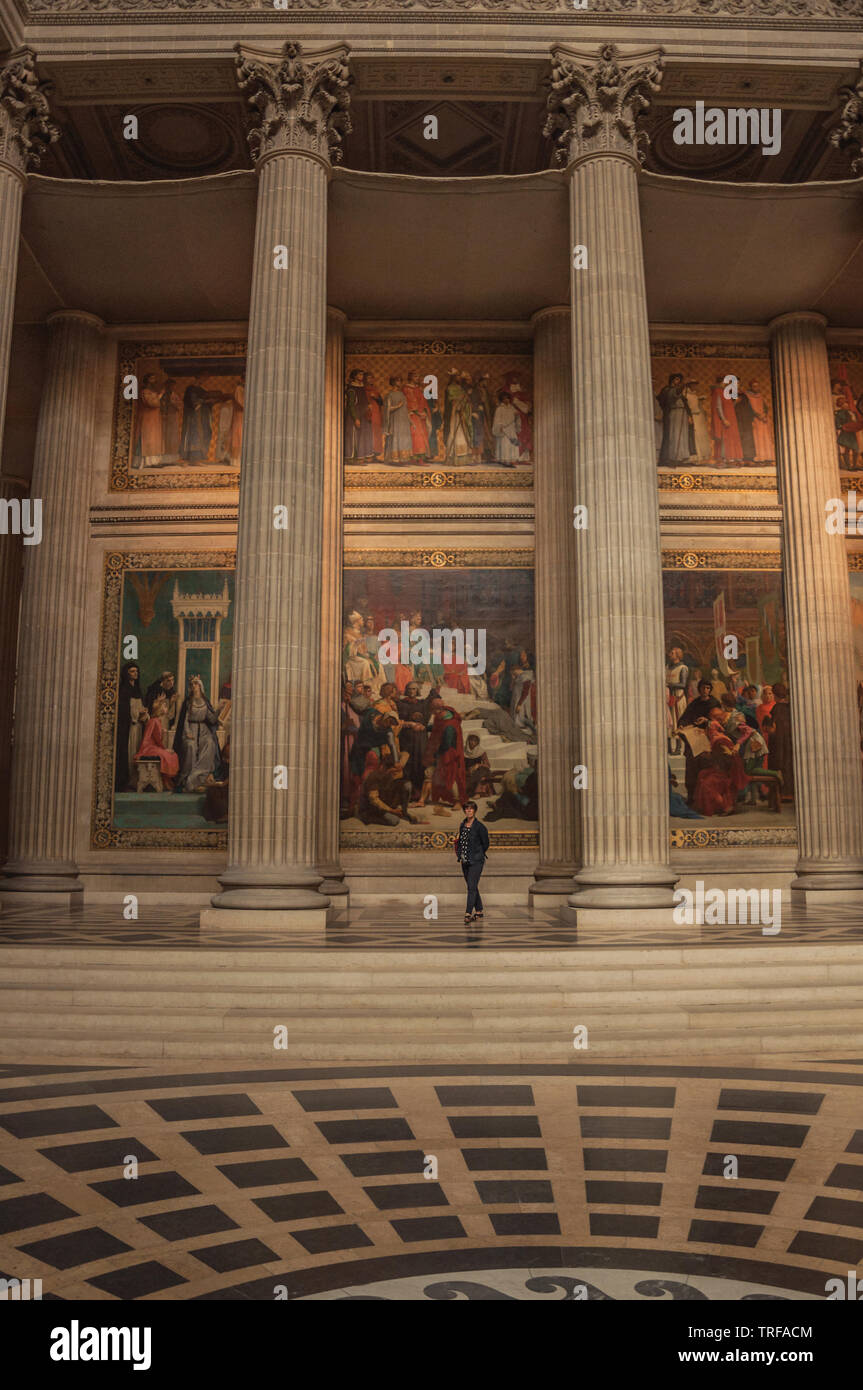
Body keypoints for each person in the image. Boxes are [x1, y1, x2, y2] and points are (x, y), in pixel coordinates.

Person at [174, 674, 222, 791]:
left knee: (210, 744)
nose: (194, 686)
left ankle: (202, 777)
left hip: (204, 730)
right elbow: (184, 720)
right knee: (190, 746)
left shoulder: (205, 701)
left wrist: (220, 709)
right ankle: (189, 780)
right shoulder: (188, 702)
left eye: (196, 684)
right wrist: (187, 732)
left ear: (200, 686)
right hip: (191, 728)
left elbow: (211, 719)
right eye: (192, 684)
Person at [134, 694, 180, 790]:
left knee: (171, 754)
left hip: (153, 747)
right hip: (148, 748)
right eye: (164, 706)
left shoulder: (157, 721)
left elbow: (157, 740)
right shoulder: (154, 721)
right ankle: (167, 782)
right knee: (169, 755)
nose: (166, 708)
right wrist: (165, 749)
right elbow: (157, 741)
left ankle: (167, 782)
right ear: (160, 708)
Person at [455, 800, 489, 923]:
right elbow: (459, 842)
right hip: (464, 860)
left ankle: (468, 912)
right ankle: (479, 911)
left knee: (471, 887)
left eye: (471, 809)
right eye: (467, 809)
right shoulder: (462, 825)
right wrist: (460, 854)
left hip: (477, 860)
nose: (468, 811)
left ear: (474, 811)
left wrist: (478, 854)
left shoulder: (480, 827)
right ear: (464, 811)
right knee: (472, 886)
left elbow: (486, 843)